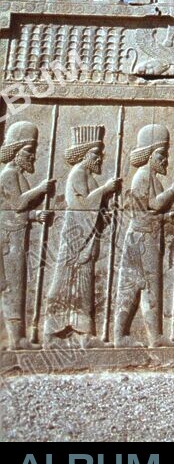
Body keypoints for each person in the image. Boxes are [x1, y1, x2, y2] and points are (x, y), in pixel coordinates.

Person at [44, 126, 120, 344]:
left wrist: (107, 212)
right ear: (85, 155)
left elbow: (95, 210)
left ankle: (83, 332)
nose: (100, 158)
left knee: (83, 282)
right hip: (76, 237)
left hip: (87, 238)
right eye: (96, 154)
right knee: (66, 279)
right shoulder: (78, 173)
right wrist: (105, 190)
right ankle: (53, 328)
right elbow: (82, 205)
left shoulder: (88, 175)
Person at [114, 124, 174, 347]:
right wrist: (173, 191)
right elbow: (151, 206)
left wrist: (167, 219)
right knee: (133, 286)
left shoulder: (151, 177)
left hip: (148, 238)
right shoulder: (142, 176)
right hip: (141, 240)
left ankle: (154, 337)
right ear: (150, 155)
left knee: (149, 287)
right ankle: (119, 336)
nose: (165, 160)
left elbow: (150, 213)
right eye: (161, 155)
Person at [0, 122, 54, 348]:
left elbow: (17, 211)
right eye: (28, 152)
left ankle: (17, 338)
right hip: (8, 240)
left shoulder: (17, 175)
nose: (32, 157)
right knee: (12, 287)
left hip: (16, 237)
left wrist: (35, 216)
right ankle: (16, 339)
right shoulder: (9, 174)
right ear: (15, 151)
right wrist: (40, 189)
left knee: (17, 286)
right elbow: (16, 204)